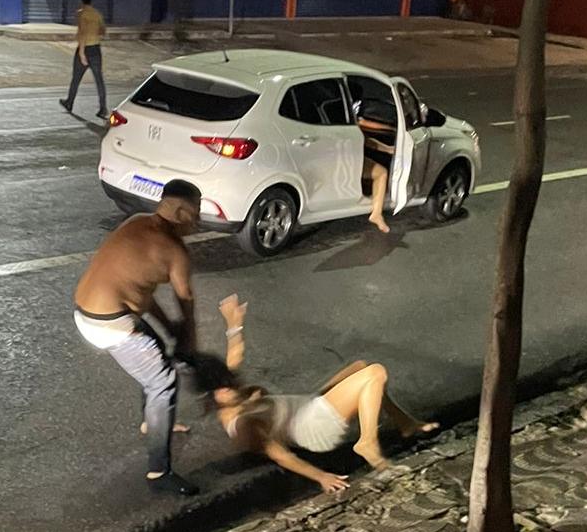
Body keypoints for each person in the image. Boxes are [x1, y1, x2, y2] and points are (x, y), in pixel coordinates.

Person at [203, 294, 438, 493]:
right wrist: (321, 477)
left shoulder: (229, 395)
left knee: (360, 367)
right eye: (224, 389)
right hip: (318, 426)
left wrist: (233, 322)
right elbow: (282, 456)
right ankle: (368, 443)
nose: (231, 386)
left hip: (310, 404)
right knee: (375, 374)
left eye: (228, 383)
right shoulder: (244, 426)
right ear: (215, 398)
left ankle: (405, 423)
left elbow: (235, 356)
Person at [73, 180, 203, 495]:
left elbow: (141, 292)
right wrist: (188, 340)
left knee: (156, 351)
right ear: (182, 211)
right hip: (111, 325)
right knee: (163, 382)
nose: (197, 223)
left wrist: (167, 328)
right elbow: (186, 302)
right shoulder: (175, 251)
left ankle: (151, 422)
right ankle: (159, 473)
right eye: (196, 215)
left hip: (88, 311)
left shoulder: (136, 223)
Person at [59, 0, 108, 120]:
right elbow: (103, 31)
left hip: (85, 49)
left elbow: (82, 33)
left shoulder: (81, 14)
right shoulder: (97, 14)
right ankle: (103, 108)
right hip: (96, 49)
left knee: (76, 78)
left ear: (81, 1)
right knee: (99, 80)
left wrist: (81, 54)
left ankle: (70, 102)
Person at [358, 112, 397, 234]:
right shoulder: (346, 114)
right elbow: (363, 126)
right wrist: (393, 128)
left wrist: (387, 149)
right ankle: (376, 214)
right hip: (347, 159)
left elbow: (366, 139)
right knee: (381, 173)